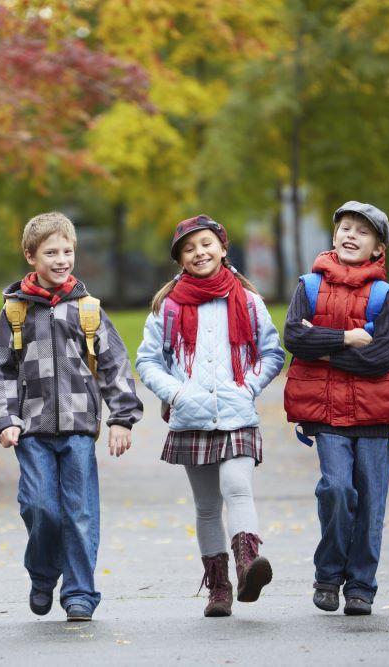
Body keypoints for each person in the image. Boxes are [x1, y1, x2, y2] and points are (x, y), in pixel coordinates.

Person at [0, 211, 143, 622]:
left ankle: (79, 593)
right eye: (51, 253)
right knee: (40, 507)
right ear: (30, 256)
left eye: (67, 251)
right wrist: (5, 419)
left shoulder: (88, 310)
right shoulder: (15, 312)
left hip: (78, 428)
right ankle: (43, 574)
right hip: (31, 430)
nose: (61, 260)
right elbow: (1, 370)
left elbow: (114, 364)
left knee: (80, 514)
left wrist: (121, 418)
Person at [135, 215, 284, 618]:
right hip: (191, 417)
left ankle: (248, 564)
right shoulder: (168, 306)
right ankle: (219, 587)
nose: (199, 252)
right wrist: (177, 393)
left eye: (206, 244)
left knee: (237, 486)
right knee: (206, 506)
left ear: (222, 247)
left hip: (238, 414)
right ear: (180, 259)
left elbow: (272, 352)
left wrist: (248, 386)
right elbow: (147, 361)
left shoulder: (247, 300)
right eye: (189, 248)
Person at [282, 201, 389, 616]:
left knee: (370, 503)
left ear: (378, 248)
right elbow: (294, 338)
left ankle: (361, 585)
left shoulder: (384, 296)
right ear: (334, 236)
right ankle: (328, 575)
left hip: (374, 417)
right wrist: (347, 338)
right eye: (345, 228)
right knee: (336, 489)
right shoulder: (309, 287)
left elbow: (380, 359)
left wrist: (323, 350)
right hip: (327, 414)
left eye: (363, 232)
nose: (351, 235)